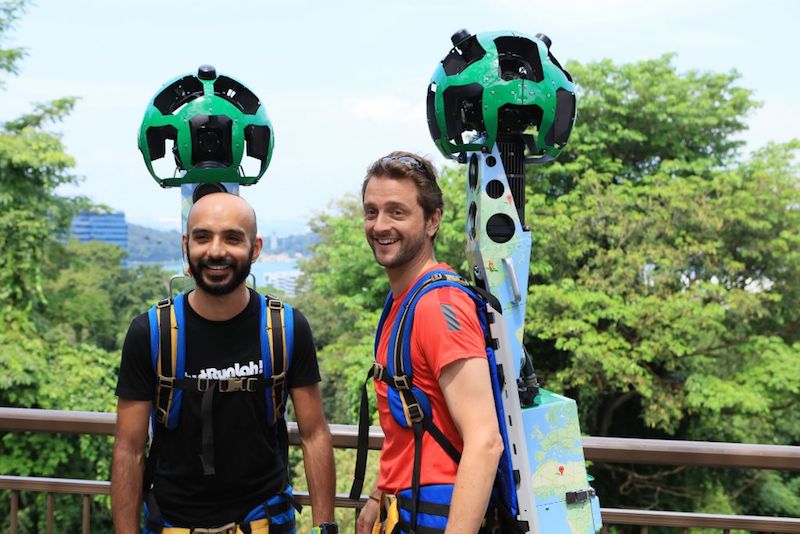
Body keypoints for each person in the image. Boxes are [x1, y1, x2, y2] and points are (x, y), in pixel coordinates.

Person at [112, 192, 337, 534]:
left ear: (255, 248)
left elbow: (314, 434)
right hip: (171, 523)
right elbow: (129, 450)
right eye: (203, 237)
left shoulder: (285, 328)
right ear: (186, 245)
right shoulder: (152, 332)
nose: (216, 251)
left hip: (264, 522)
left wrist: (326, 527)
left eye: (232, 238)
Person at [356, 152, 505, 533]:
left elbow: (485, 441)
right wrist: (377, 497)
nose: (380, 225)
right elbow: (411, 425)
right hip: (404, 510)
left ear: (432, 221)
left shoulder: (439, 306)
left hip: (436, 517)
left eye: (397, 212)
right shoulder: (401, 301)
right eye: (372, 212)